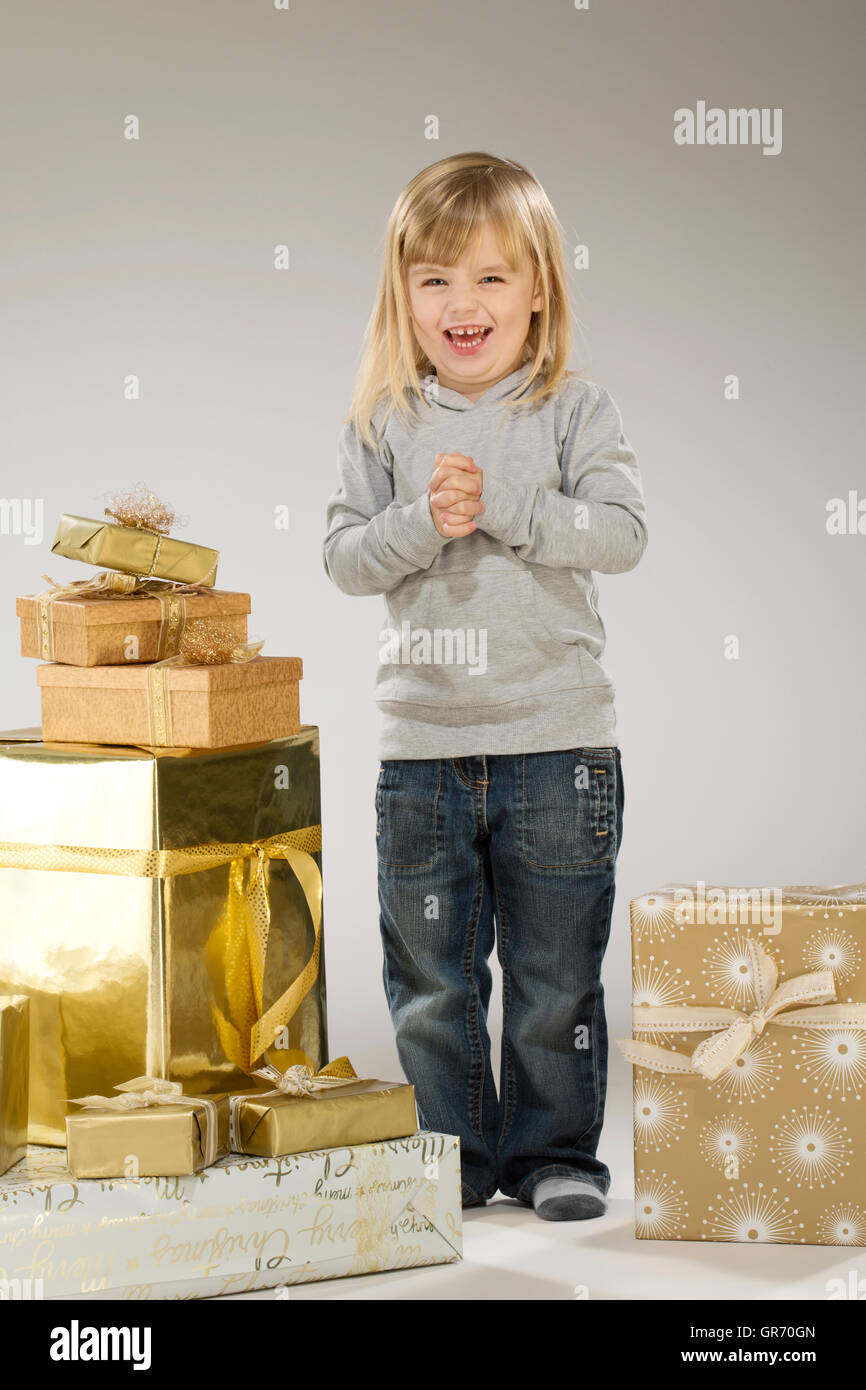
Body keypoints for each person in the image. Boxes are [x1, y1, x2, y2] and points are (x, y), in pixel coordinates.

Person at [323, 151, 647, 1219]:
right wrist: (424, 519)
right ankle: (448, 1158)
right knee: (432, 979)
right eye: (434, 280)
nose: (462, 304)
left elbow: (620, 534)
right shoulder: (382, 418)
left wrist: (505, 503)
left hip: (556, 745)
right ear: (402, 296)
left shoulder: (571, 408)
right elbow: (343, 558)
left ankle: (554, 1154)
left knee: (555, 979)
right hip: (421, 748)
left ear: (538, 287)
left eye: (490, 278)